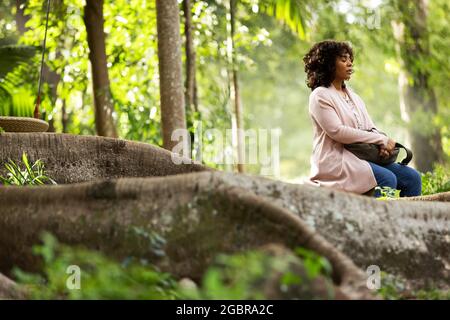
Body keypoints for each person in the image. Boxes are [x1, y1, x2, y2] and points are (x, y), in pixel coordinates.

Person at [303, 40, 421, 197]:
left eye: (350, 59)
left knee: (412, 178)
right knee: (387, 179)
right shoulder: (320, 95)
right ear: (329, 64)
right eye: (343, 60)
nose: (350, 64)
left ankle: (409, 221)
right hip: (336, 160)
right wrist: (379, 140)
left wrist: (382, 145)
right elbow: (338, 132)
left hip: (361, 156)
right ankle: (377, 222)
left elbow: (369, 127)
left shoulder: (353, 96)